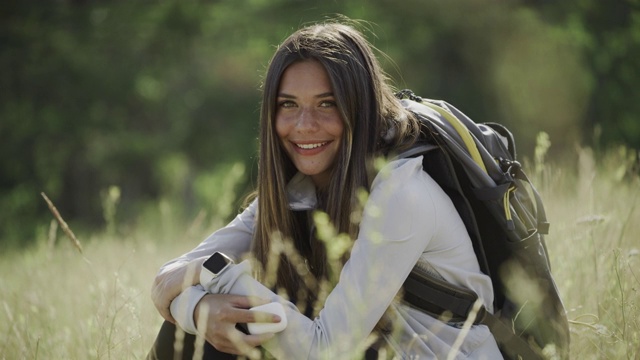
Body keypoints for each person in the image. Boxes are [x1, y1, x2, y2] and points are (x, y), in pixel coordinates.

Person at [148, 20, 503, 359]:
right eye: (288, 105)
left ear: (361, 109)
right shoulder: (298, 192)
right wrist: (199, 309)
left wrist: (216, 278)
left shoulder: (403, 195)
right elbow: (168, 279)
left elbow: (324, 350)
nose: (304, 125)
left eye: (326, 104)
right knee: (189, 335)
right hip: (379, 351)